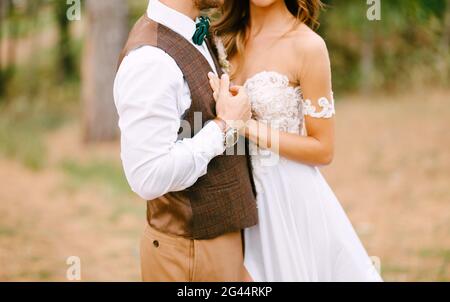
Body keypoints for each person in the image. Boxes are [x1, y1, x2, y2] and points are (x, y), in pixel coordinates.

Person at [208, 0, 383, 282]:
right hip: (232, 197)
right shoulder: (220, 39)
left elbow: (323, 148)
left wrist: (246, 126)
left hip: (287, 201)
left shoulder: (308, 46)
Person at [113, 0, 258, 282]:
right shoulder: (151, 60)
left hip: (214, 244)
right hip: (190, 252)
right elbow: (148, 176)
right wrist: (224, 126)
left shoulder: (189, 31)